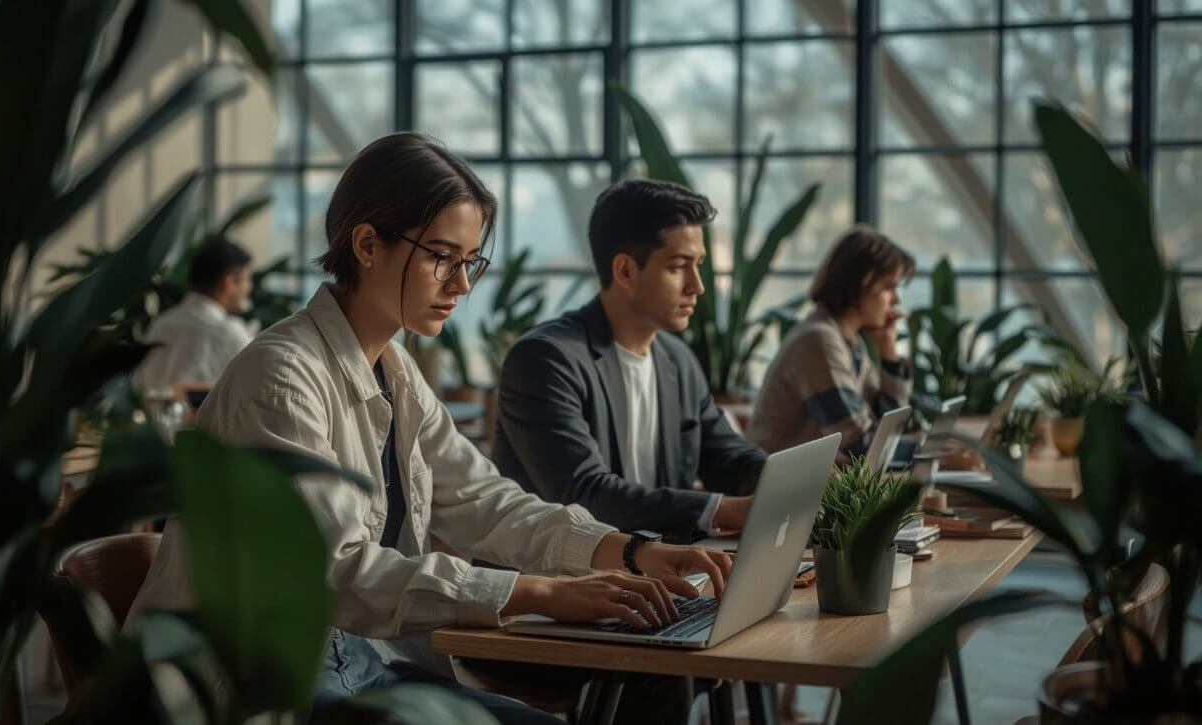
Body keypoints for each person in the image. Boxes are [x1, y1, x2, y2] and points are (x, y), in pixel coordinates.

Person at [125, 133, 730, 725]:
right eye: (443, 256)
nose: (462, 285)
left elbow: (485, 502)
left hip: (358, 662)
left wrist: (630, 550)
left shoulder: (394, 367)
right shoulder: (282, 375)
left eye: (469, 262)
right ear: (366, 244)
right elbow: (333, 573)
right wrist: (538, 592)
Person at [491, 179, 769, 545]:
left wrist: (792, 483)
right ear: (625, 271)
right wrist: (727, 510)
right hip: (552, 588)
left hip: (658, 579)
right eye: (678, 266)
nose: (697, 286)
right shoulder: (544, 359)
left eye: (698, 265)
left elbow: (729, 460)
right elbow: (585, 494)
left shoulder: (677, 360)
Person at [747, 224, 915, 458]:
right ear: (860, 283)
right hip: (779, 489)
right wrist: (930, 453)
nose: (895, 300)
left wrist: (888, 351)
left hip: (813, 484)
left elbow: (887, 426)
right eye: (889, 287)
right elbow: (860, 446)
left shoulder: (849, 342)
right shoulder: (818, 340)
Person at [130, 238, 254, 394]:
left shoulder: (162, 323)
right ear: (228, 283)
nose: (249, 287)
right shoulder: (229, 332)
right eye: (247, 279)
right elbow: (256, 389)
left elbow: (137, 385)